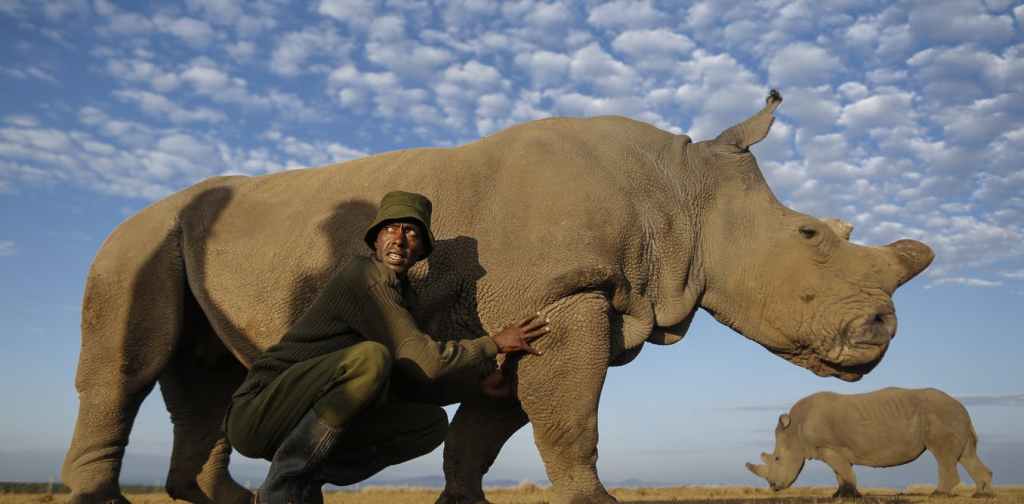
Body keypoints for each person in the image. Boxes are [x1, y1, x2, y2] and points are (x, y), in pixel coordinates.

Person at [224, 190, 549, 504]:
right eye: (390, 229)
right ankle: (281, 489)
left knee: (429, 424)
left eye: (411, 232)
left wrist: (476, 385)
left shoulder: (403, 297)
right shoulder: (364, 275)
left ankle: (309, 479)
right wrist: (493, 343)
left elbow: (415, 377)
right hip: (258, 412)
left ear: (421, 249)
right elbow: (425, 359)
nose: (399, 238)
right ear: (375, 240)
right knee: (370, 359)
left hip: (301, 421)